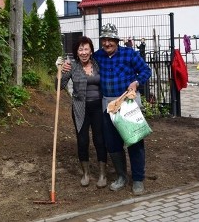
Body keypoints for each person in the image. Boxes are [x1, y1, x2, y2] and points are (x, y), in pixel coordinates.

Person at [68, 23, 151, 195]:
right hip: (107, 106)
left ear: (116, 40)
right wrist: (67, 66)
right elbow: (83, 61)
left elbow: (145, 70)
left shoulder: (129, 54)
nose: (107, 43)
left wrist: (136, 82)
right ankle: (121, 176)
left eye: (110, 40)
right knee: (112, 144)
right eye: (104, 40)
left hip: (127, 103)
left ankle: (137, 179)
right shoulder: (98, 56)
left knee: (134, 141)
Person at [58, 37, 108, 188]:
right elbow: (59, 86)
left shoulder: (99, 64)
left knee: (100, 140)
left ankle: (102, 174)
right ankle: (85, 173)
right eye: (80, 49)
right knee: (82, 140)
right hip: (80, 108)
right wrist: (60, 70)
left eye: (86, 49)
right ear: (76, 52)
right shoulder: (72, 67)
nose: (84, 52)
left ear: (91, 50)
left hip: (99, 107)